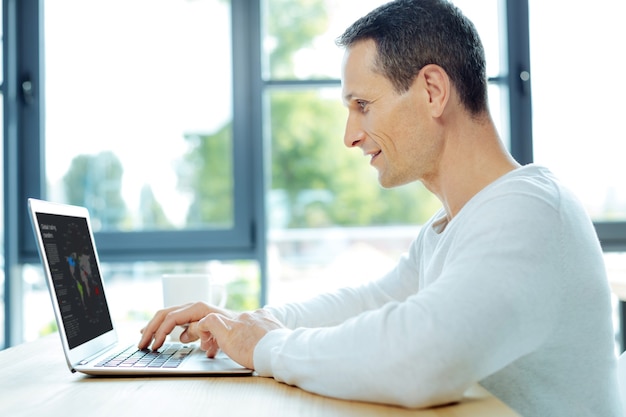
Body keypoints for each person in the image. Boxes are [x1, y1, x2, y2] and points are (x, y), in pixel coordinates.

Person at [138, 0, 622, 415]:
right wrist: (243, 325)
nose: (349, 135)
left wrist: (265, 345)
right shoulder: (453, 225)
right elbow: (369, 303)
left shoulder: (530, 213)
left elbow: (422, 357)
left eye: (363, 105)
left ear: (432, 91)